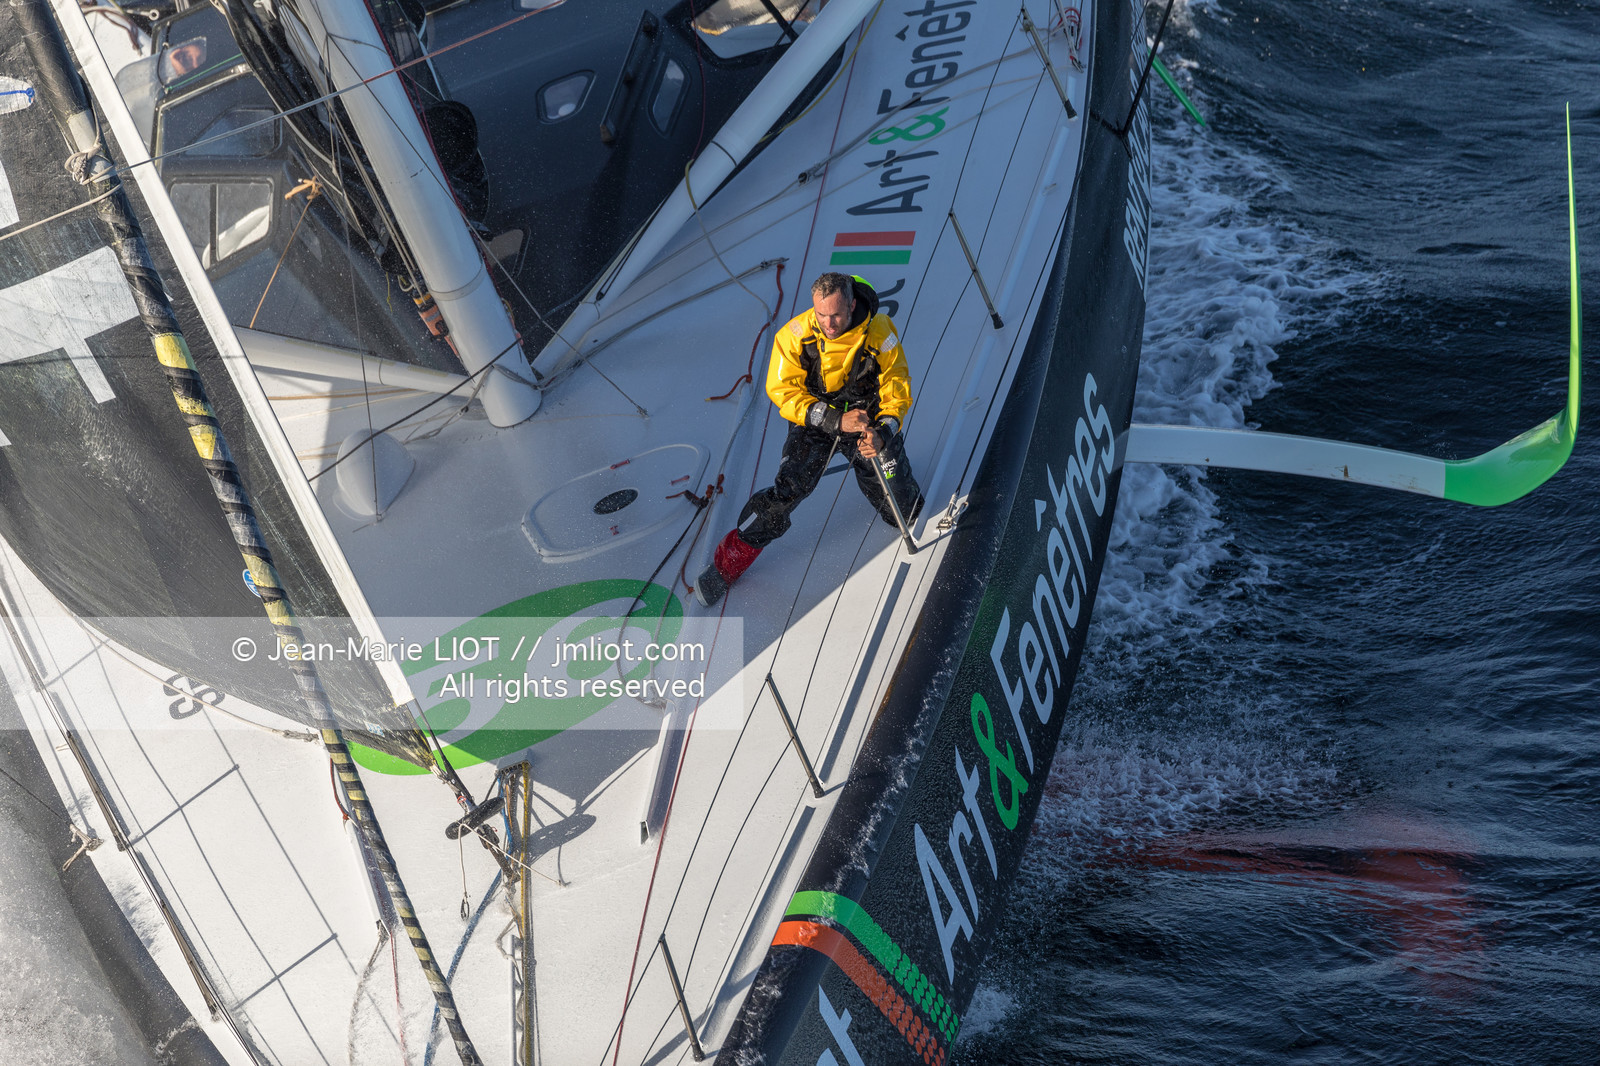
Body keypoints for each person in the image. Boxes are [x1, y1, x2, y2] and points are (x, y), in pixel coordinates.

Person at [695, 272, 923, 608]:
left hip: (865, 417)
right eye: (821, 315)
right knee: (791, 487)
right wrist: (832, 419)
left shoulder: (880, 333)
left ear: (852, 305)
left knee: (904, 508)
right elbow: (783, 391)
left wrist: (883, 432)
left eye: (836, 315)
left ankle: (902, 487)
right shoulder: (794, 336)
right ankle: (730, 559)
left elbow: (897, 387)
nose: (828, 324)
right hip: (815, 418)